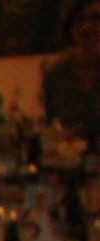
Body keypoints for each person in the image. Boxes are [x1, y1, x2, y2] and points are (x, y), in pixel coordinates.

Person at [42, 0, 100, 141]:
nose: (87, 26)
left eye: (96, 18)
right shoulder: (55, 74)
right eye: (79, 20)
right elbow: (50, 127)